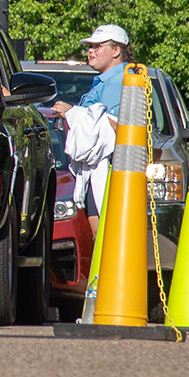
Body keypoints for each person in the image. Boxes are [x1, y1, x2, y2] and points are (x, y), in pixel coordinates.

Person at [52, 23, 134, 235]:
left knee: (106, 239)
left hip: (107, 171)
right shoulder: (104, 81)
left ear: (116, 50)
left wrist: (72, 113)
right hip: (99, 171)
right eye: (89, 46)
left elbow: (115, 129)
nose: (90, 50)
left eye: (98, 46)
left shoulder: (118, 82)